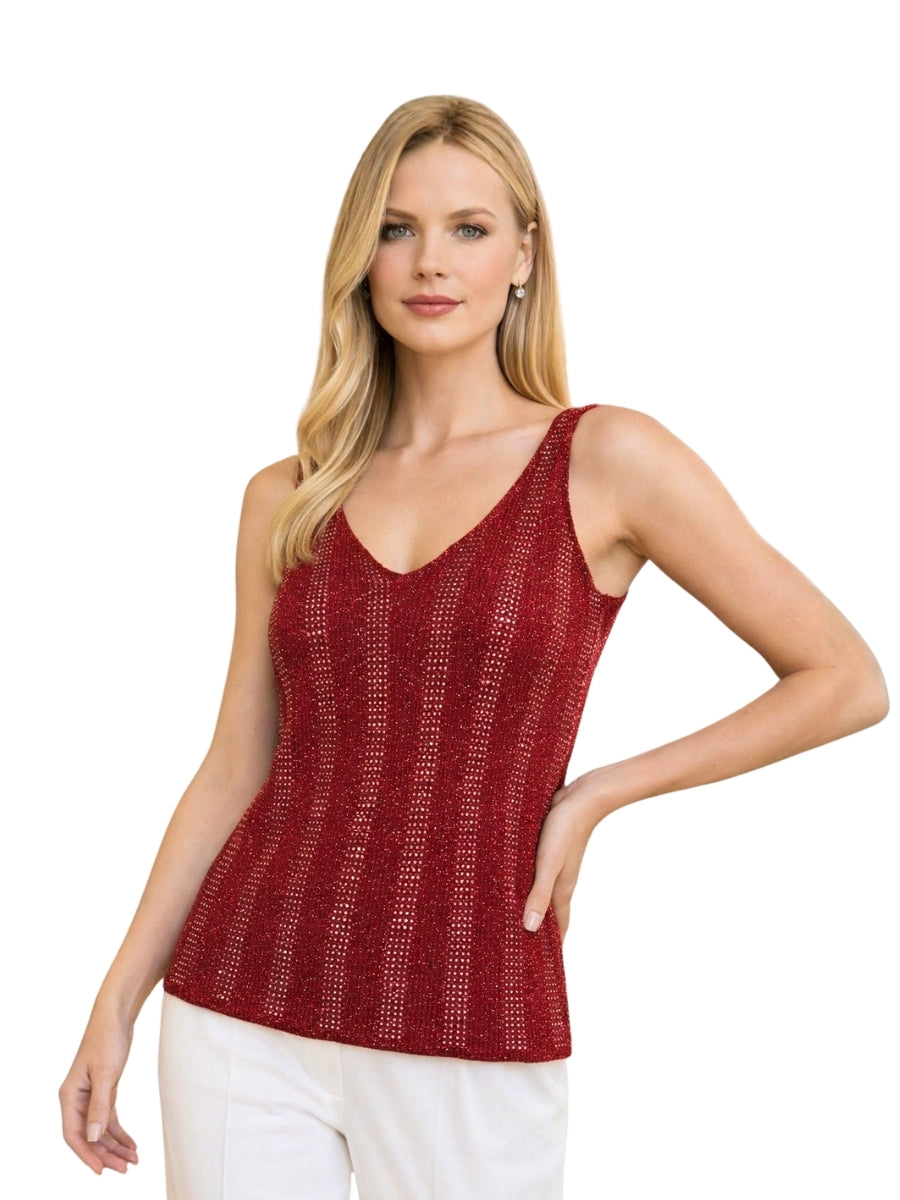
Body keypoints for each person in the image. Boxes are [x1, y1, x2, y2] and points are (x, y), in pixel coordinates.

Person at [59, 95, 888, 1199]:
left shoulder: (604, 460)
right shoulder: (288, 497)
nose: (430, 262)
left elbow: (845, 679)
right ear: (360, 257)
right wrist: (118, 996)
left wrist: (596, 794)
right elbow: (235, 766)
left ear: (524, 256)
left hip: (472, 1006)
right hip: (239, 1006)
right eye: (396, 229)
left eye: (469, 228)